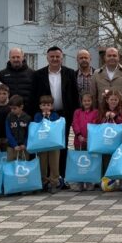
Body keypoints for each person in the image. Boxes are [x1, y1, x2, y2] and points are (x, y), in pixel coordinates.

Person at [31, 46, 78, 180]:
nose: (55, 59)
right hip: (45, 116)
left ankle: (60, 176)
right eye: (52, 56)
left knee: (62, 145)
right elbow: (34, 96)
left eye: (57, 56)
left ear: (62, 57)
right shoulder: (38, 74)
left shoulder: (70, 73)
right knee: (46, 145)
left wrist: (74, 115)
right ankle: (45, 177)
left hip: (64, 115)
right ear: (47, 58)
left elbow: (75, 95)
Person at [33, 95, 62, 194]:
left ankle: (54, 182)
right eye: (44, 105)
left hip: (53, 143)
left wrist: (48, 117)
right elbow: (37, 125)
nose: (46, 107)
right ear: (40, 106)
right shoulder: (37, 115)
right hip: (42, 143)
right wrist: (44, 117)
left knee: (54, 163)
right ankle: (43, 182)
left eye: (48, 105)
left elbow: (56, 126)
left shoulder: (55, 115)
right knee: (42, 163)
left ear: (52, 107)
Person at [5, 95, 31, 161]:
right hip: (11, 147)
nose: (12, 110)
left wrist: (25, 144)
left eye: (14, 108)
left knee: (24, 167)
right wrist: (14, 145)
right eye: (11, 108)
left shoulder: (27, 118)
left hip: (24, 147)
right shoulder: (9, 117)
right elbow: (8, 133)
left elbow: (29, 134)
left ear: (21, 107)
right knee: (10, 167)